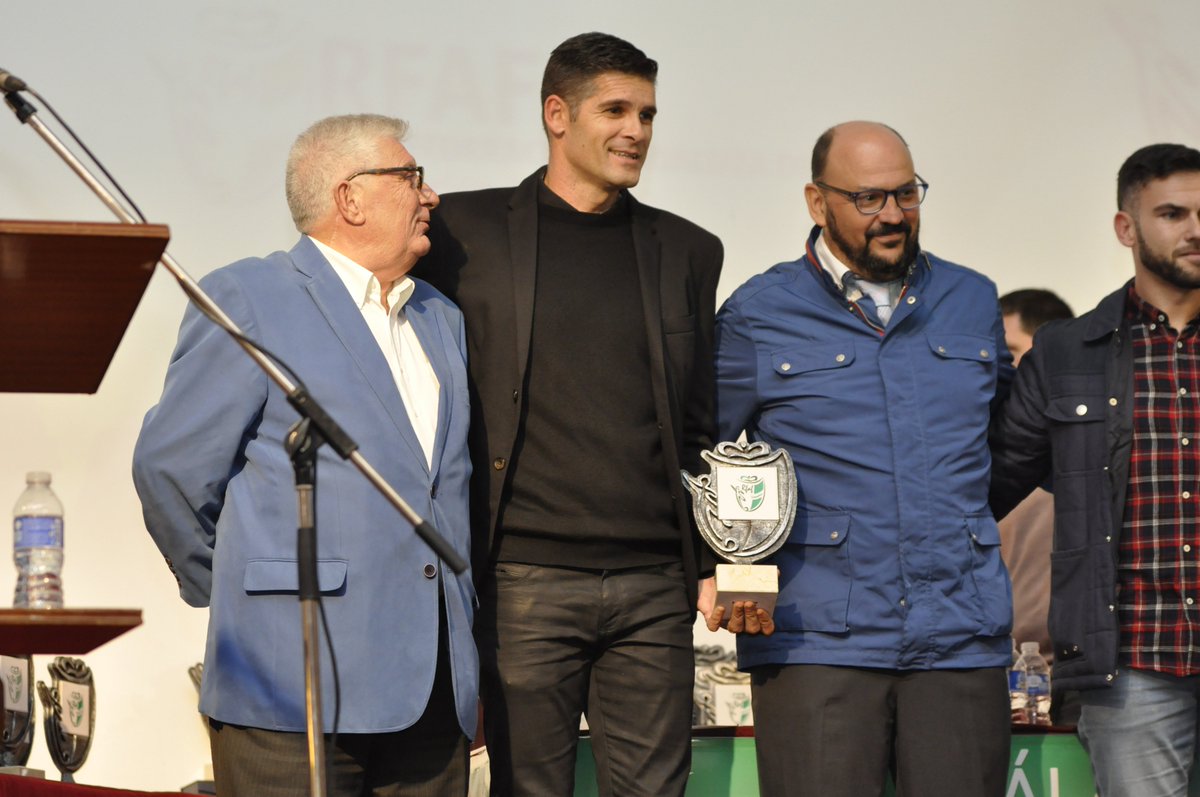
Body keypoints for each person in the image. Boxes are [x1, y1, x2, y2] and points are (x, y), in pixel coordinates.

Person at [414, 32, 723, 797]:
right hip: (522, 580)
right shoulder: (462, 232)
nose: (637, 130)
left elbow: (698, 422)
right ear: (558, 114)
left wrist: (713, 564)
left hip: (655, 587)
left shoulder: (688, 250)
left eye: (647, 114)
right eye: (615, 110)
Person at [132, 114, 477, 796]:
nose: (430, 195)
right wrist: (238, 588)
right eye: (411, 177)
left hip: (433, 694)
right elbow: (170, 469)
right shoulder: (249, 297)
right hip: (289, 687)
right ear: (350, 197)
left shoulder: (440, 317)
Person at [714, 120, 1014, 797]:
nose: (894, 216)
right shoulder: (758, 313)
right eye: (869, 198)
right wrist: (732, 570)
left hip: (960, 634)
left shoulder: (971, 299)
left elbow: (1003, 445)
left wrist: (960, 523)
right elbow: (709, 456)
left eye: (907, 194)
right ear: (817, 202)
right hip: (815, 638)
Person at [991, 142, 1200, 796]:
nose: (1196, 229)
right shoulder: (1067, 353)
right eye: (1172, 213)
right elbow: (983, 488)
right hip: (1134, 663)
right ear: (1126, 228)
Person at [997, 289, 1074, 665]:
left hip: (1069, 669)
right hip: (996, 668)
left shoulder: (1086, 454)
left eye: (1009, 353)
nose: (996, 369)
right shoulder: (978, 453)